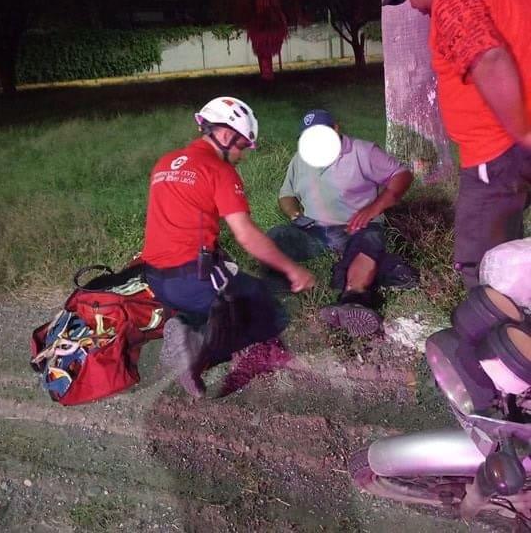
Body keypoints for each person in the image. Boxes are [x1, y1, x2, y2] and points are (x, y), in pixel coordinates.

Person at [141, 96, 316, 397]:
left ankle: (188, 327)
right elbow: (246, 235)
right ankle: (206, 345)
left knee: (223, 288)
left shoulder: (164, 163)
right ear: (224, 135)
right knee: (259, 298)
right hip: (190, 279)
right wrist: (293, 269)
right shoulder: (219, 171)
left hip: (155, 280)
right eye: (242, 145)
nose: (243, 154)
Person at [383, 0, 531, 289]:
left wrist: (523, 133)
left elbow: (487, 57)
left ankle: (499, 343)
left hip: (495, 152)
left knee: (482, 265)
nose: (414, 7)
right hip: (515, 144)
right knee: (511, 246)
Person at [266, 109, 414, 336]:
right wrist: (296, 215)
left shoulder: (362, 151)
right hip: (314, 229)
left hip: (356, 226)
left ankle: (353, 299)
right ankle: (276, 299)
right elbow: (286, 195)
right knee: (277, 237)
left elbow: (402, 175)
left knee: (368, 243)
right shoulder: (301, 159)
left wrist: (374, 207)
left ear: (335, 129)